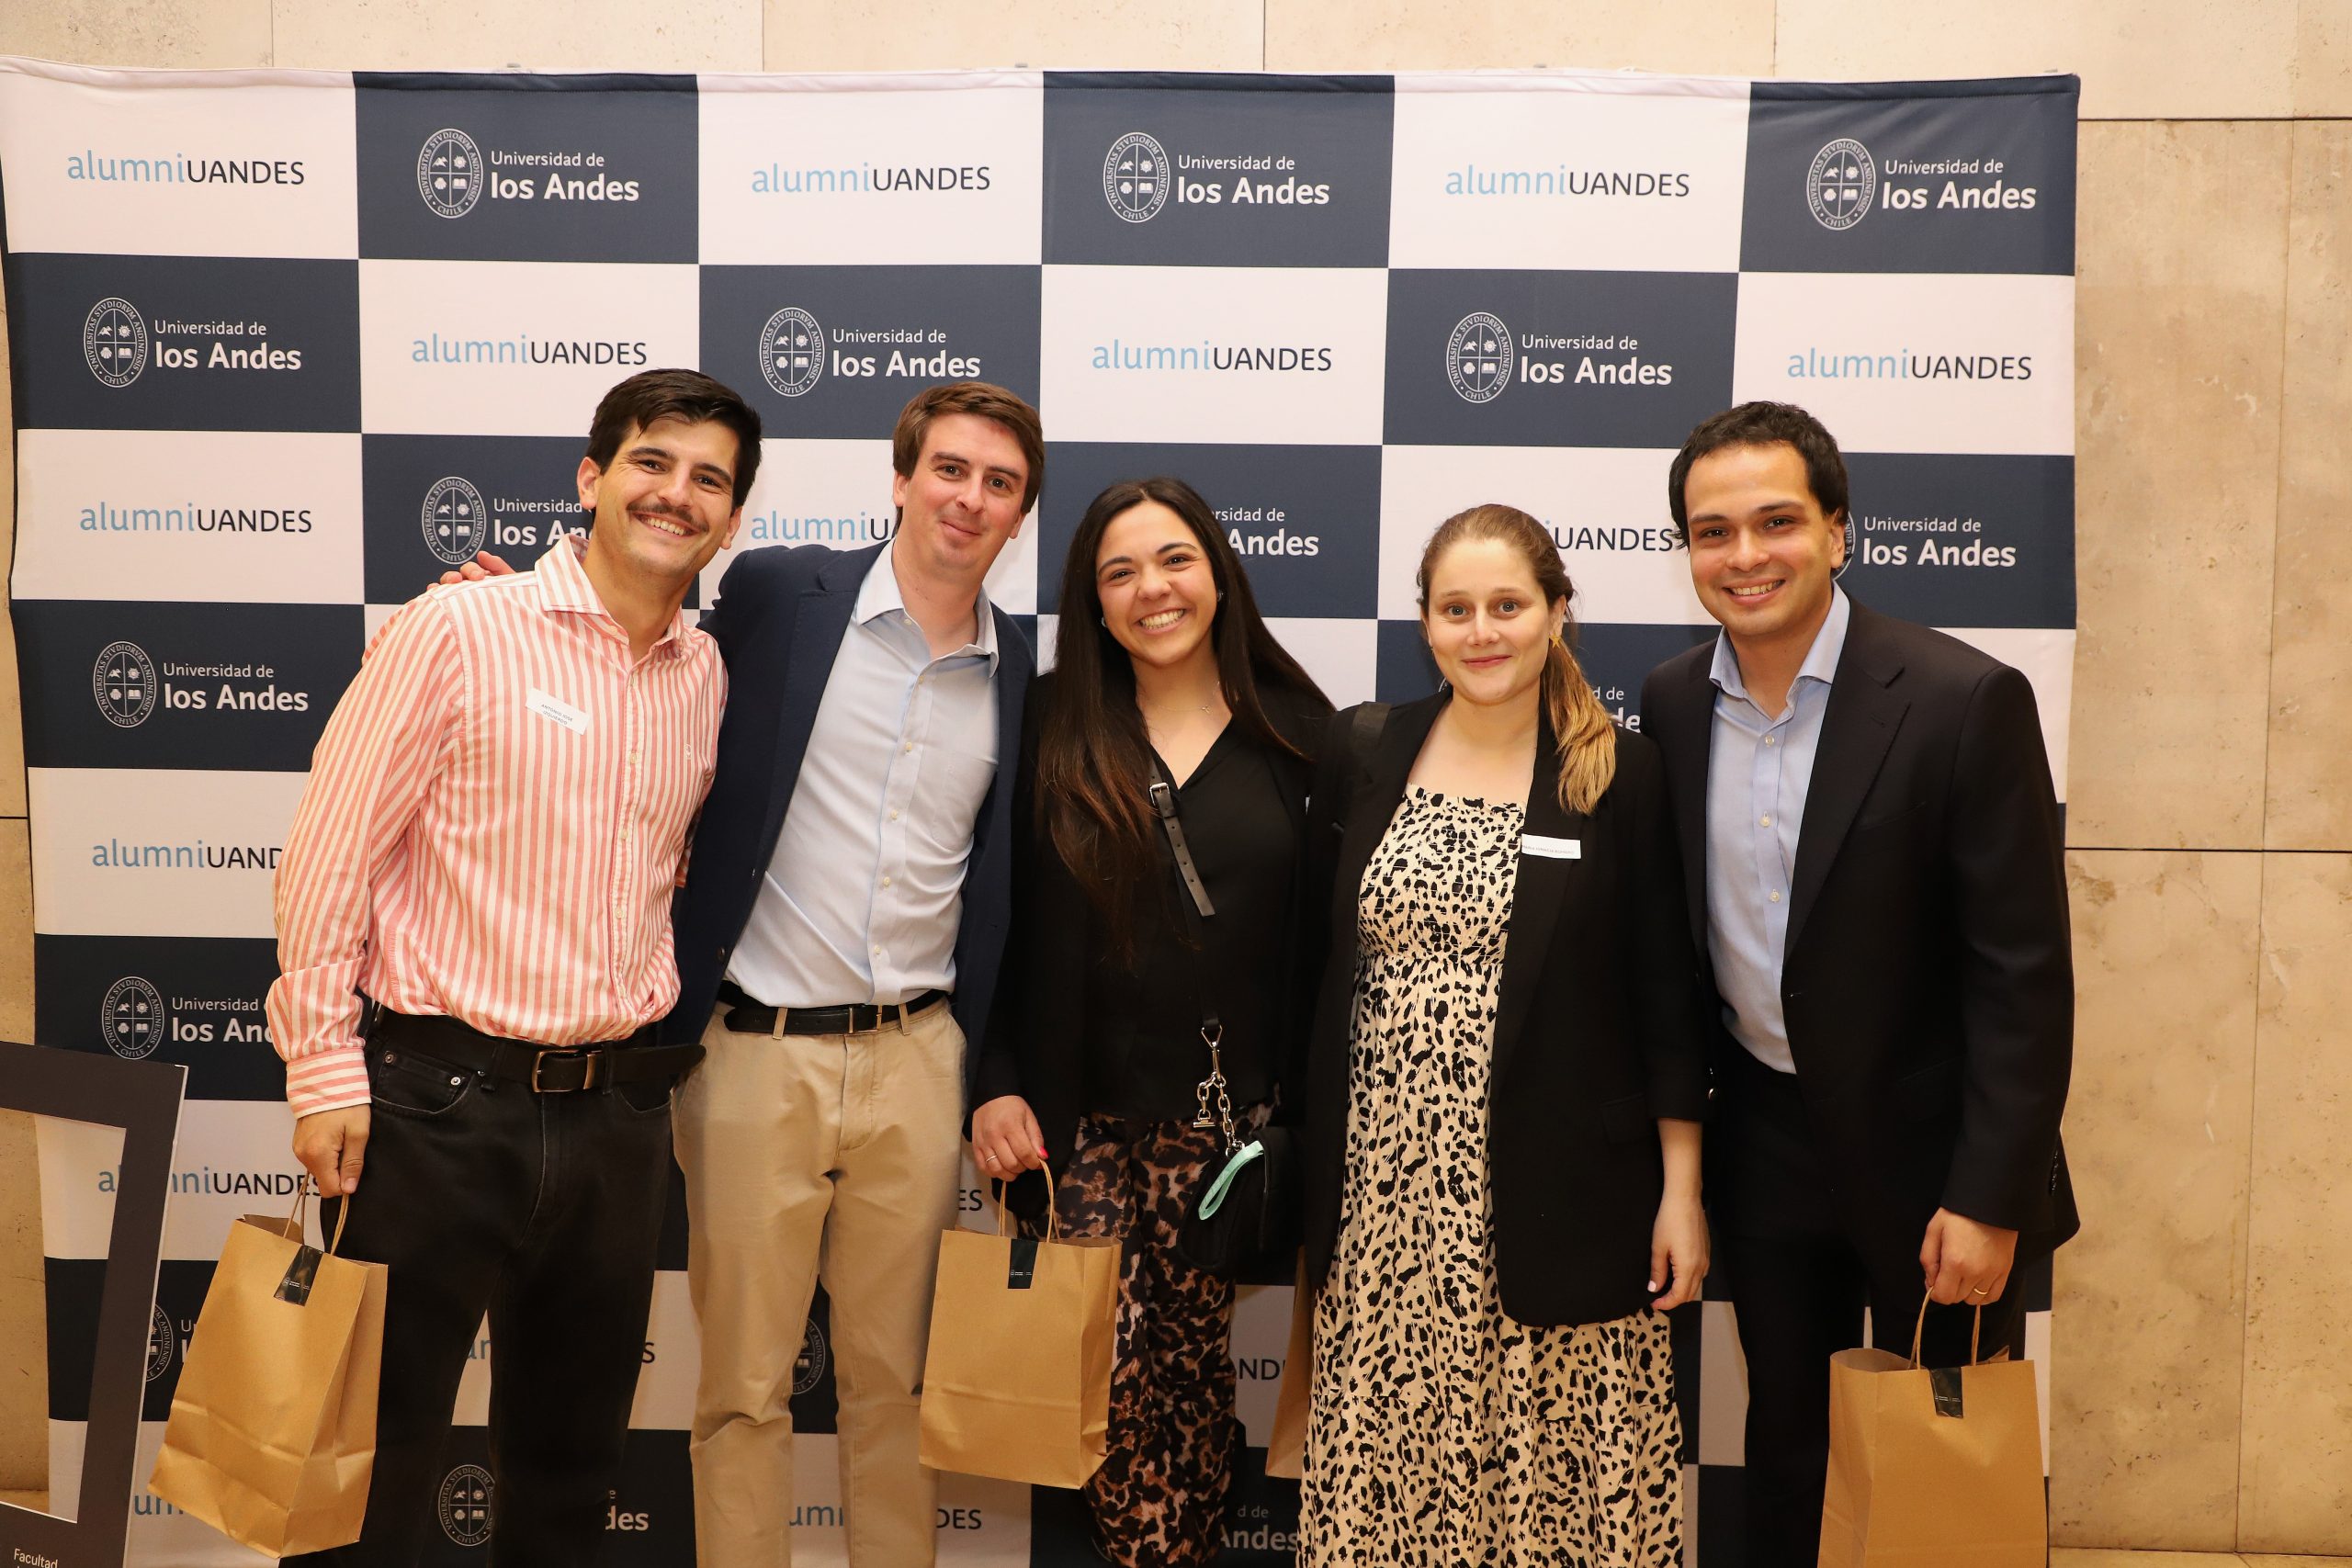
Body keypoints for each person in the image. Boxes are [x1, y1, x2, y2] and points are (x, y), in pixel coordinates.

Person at [268, 367, 759, 1565]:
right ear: (592, 477)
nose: (677, 494)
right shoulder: (457, 629)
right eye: (652, 462)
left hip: (616, 1122)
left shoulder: (702, 676)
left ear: (732, 518)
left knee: (569, 1472)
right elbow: (331, 850)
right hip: (436, 1109)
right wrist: (322, 1067)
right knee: (368, 1467)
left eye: (709, 479)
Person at [1638, 401, 2077, 1567]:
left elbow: (2023, 978)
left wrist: (1990, 1197)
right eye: (1712, 531)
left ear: (1839, 531)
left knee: (1938, 1463)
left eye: (1776, 522)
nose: (1744, 555)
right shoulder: (1672, 701)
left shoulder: (1963, 698)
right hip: (1763, 1144)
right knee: (1788, 1447)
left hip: (1936, 1161)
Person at [665, 382, 1042, 1568]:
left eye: (999, 483)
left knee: (897, 1385)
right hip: (751, 1056)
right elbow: (642, 650)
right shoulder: (780, 596)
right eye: (950, 469)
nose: (968, 498)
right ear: (901, 478)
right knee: (742, 1387)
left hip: (918, 1062)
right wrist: (508, 601)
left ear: (1019, 513)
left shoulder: (1021, 667)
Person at [1294, 503, 1709, 1567]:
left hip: (1566, 1195)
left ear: (1558, 611)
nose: (1482, 632)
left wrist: (1681, 1191)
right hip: (1387, 1208)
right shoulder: (1362, 747)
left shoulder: (1619, 772)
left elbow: (1668, 1000)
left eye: (1508, 606)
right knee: (1396, 1493)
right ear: (1425, 623)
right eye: (1456, 609)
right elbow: (1313, 970)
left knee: (1559, 1500)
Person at [969, 477, 1330, 1567]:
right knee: (1101, 1389)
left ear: (1218, 572)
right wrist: (993, 1078)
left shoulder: (1305, 735)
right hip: (1073, 1128)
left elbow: (1331, 951)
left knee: (1191, 1380)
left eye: (1174, 559)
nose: (1151, 589)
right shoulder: (1045, 722)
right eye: (1118, 572)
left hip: (1228, 1139)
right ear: (1093, 601)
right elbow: (989, 920)